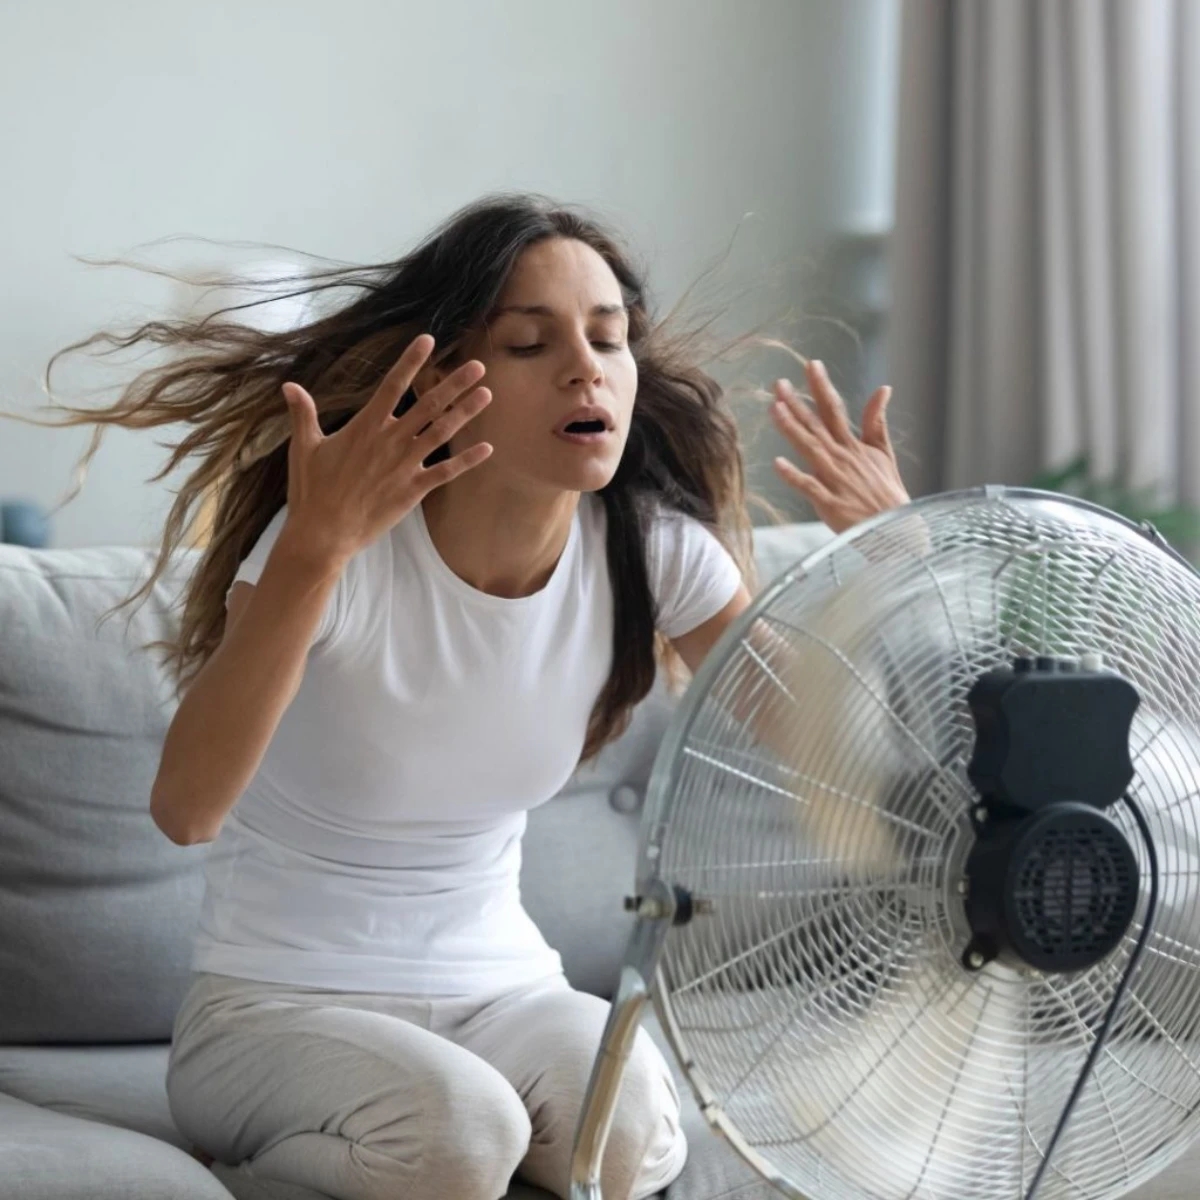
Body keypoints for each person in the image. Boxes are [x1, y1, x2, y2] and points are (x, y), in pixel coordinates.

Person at [45, 194, 909, 1200]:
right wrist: (314, 553)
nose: (587, 368)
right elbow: (185, 809)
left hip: (505, 991)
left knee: (628, 1130)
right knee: (461, 1134)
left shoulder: (653, 554)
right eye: (530, 344)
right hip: (277, 1010)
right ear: (448, 374)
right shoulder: (335, 546)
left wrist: (896, 567)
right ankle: (258, 1160)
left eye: (609, 337)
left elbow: (846, 771)